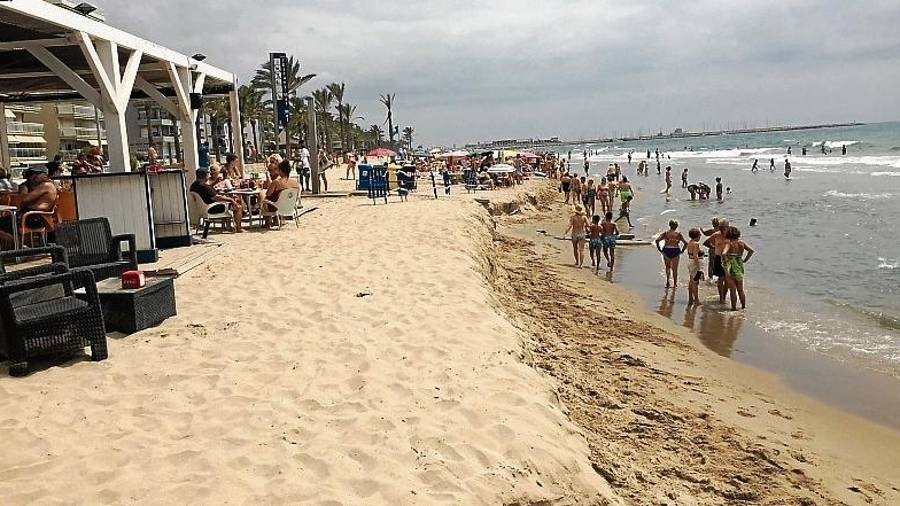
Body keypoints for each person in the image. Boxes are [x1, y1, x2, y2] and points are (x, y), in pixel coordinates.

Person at [0, 166, 58, 247]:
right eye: (32, 174)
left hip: (34, 218)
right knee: (5, 225)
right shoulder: (49, 185)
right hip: (36, 217)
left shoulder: (46, 185)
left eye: (36, 174)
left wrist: (23, 206)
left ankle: (21, 247)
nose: (32, 177)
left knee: (4, 225)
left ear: (44, 175)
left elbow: (25, 200)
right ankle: (19, 246)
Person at [189, 168, 243, 233]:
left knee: (227, 202)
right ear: (204, 175)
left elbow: (208, 190)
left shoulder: (194, 185)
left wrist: (215, 183)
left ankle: (228, 226)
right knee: (237, 206)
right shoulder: (204, 186)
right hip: (211, 208)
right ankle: (239, 228)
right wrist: (231, 200)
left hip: (203, 208)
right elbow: (216, 197)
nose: (208, 176)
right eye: (207, 174)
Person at [721, 226, 755, 311]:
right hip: (739, 265)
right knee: (740, 289)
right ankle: (743, 307)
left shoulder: (729, 243)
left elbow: (724, 253)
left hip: (731, 266)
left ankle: (733, 308)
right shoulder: (741, 243)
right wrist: (745, 260)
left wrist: (725, 263)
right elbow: (751, 251)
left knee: (733, 289)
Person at [703, 218, 730, 303]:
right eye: (721, 227)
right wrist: (714, 247)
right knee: (721, 278)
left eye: (725, 227)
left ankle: (724, 296)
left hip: (728, 259)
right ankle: (721, 297)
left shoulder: (731, 234)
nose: (723, 228)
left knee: (727, 279)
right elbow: (706, 243)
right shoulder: (716, 234)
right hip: (719, 257)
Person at [655, 220, 688, 288]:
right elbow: (685, 243)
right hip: (675, 250)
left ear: (669, 225)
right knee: (675, 269)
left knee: (668, 267)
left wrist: (660, 249)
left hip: (666, 250)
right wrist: (682, 251)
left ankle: (667, 281)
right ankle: (675, 284)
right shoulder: (678, 234)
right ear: (677, 226)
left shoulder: (666, 233)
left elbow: (657, 240)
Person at [686, 228, 705, 305]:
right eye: (699, 234)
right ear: (697, 236)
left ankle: (690, 298)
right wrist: (699, 268)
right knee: (695, 282)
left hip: (690, 262)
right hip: (695, 263)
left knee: (691, 281)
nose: (700, 235)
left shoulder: (689, 243)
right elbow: (695, 256)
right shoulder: (696, 244)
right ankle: (696, 300)